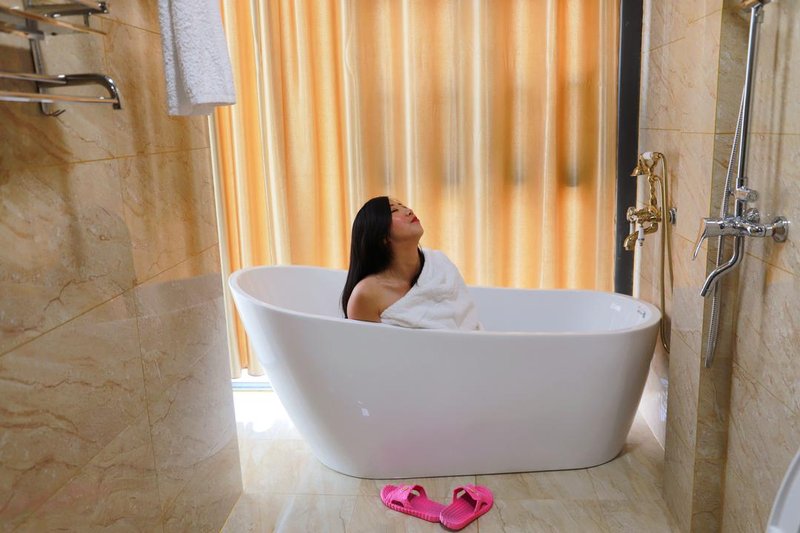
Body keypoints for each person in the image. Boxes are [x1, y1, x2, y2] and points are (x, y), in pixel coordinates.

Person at [341, 196, 481, 330]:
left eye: (403, 206)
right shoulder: (366, 295)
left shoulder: (439, 263)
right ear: (382, 236)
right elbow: (365, 344)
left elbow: (467, 320)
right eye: (394, 210)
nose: (408, 210)